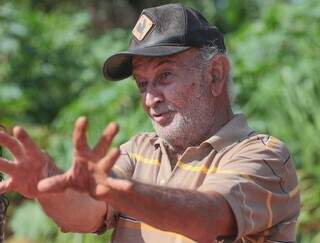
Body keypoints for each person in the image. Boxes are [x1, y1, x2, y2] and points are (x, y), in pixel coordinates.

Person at [0, 3, 300, 243]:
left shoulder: (264, 157)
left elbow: (209, 217)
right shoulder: (138, 151)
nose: (150, 99)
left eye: (165, 76)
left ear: (215, 74)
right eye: (142, 84)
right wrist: (44, 182)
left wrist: (118, 190)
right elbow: (82, 215)